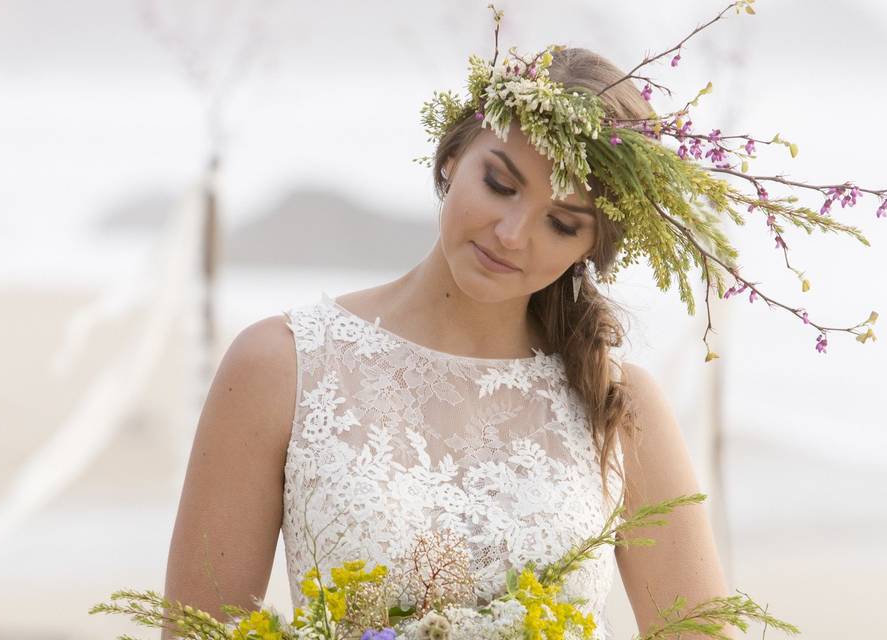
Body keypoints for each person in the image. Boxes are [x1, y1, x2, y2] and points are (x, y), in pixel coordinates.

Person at [161, 46, 732, 640]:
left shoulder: (621, 407)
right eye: (500, 184)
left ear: (590, 248)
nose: (512, 236)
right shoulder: (281, 365)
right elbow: (195, 631)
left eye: (562, 223)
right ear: (455, 155)